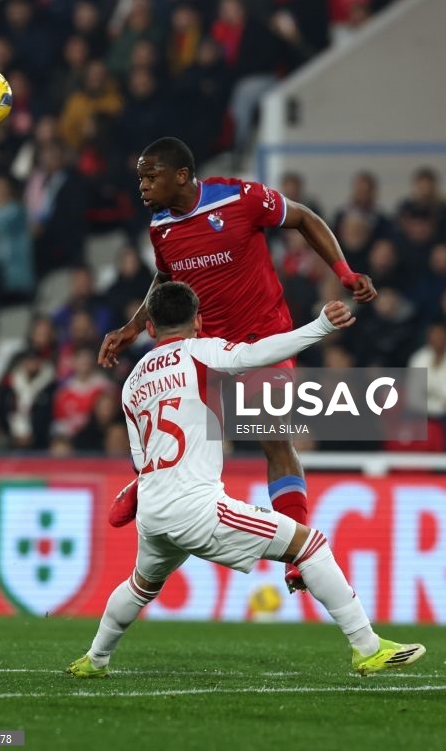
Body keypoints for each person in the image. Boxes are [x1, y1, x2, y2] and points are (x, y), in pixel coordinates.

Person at [67, 282, 424, 678]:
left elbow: (140, 460)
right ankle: (367, 647)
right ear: (199, 321)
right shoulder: (202, 350)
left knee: (140, 586)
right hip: (195, 506)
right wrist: (321, 325)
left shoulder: (132, 381)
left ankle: (94, 659)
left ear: (149, 328)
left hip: (153, 506)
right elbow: (259, 353)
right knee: (311, 546)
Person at [99, 136, 377, 593]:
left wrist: (343, 272)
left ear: (182, 176)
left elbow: (304, 218)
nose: (143, 187)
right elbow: (167, 277)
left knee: (272, 437)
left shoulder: (241, 198)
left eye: (151, 177)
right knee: (175, 428)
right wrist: (133, 326)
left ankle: (296, 558)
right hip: (203, 343)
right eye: (141, 179)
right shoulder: (160, 225)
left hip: (263, 336)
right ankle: (145, 483)